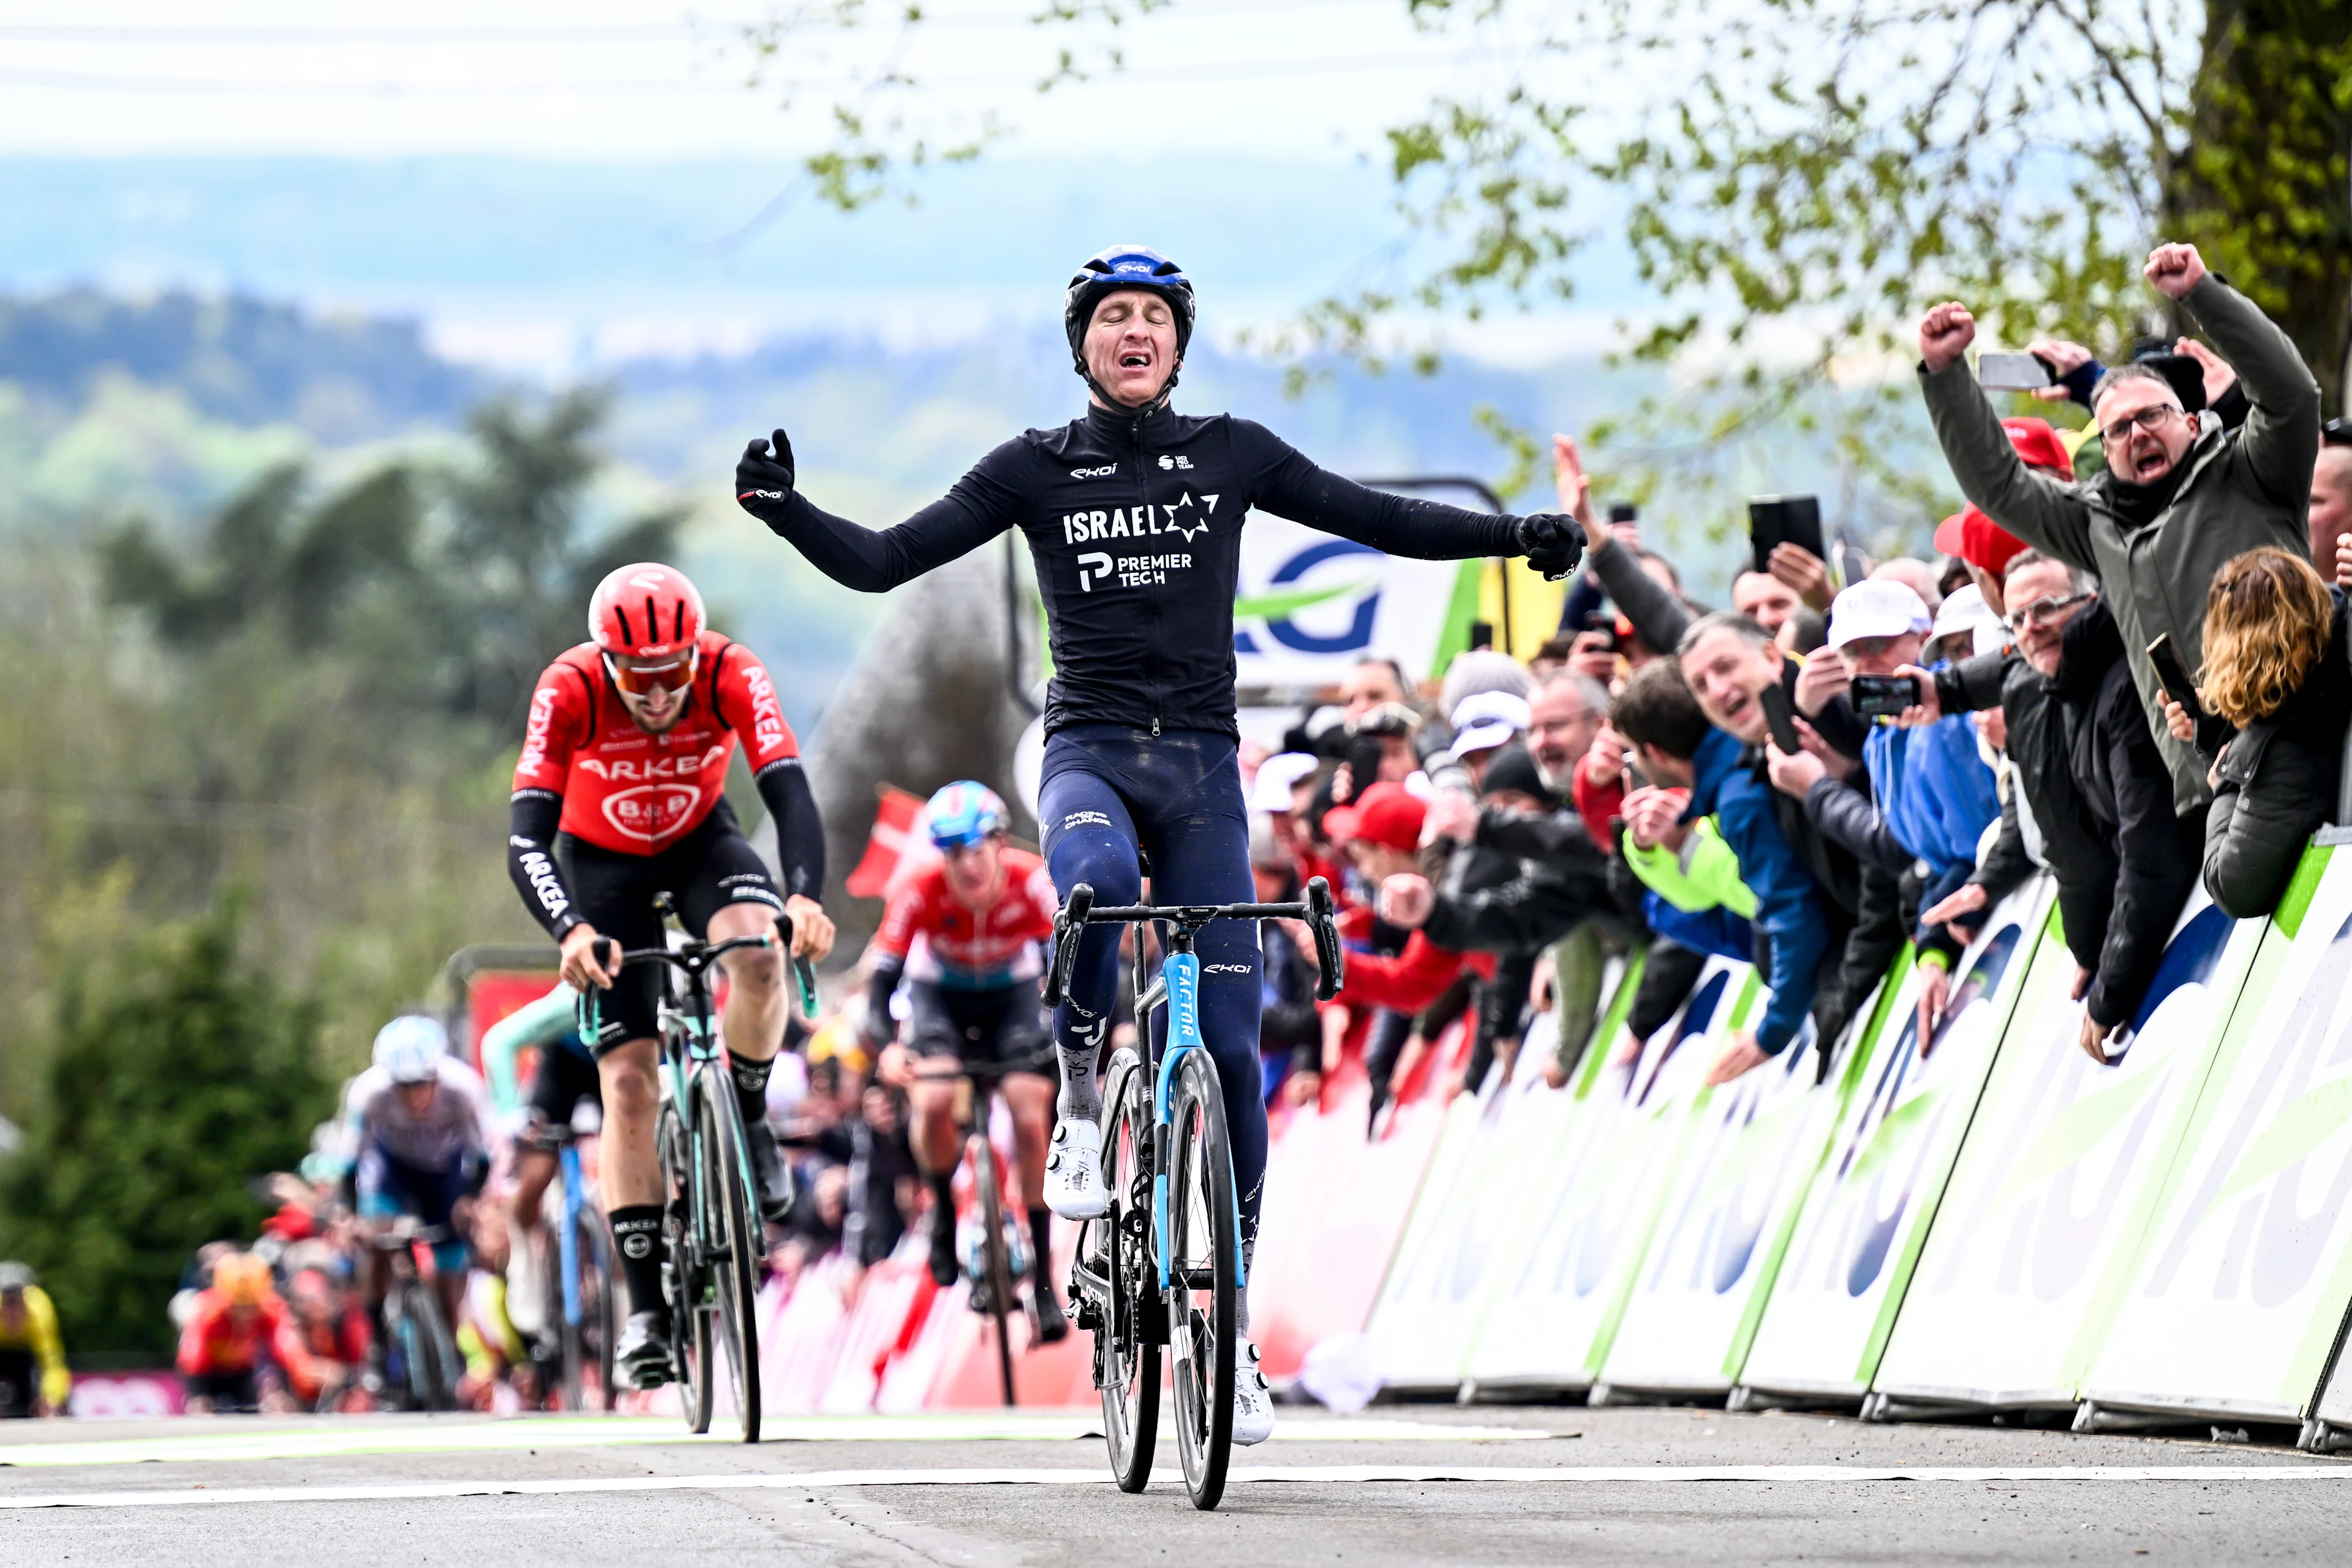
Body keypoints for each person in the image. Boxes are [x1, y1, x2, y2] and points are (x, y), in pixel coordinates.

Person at [736, 244, 1581, 1444]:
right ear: (1081, 343)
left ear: (1179, 344)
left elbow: (1377, 516)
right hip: (1085, 751)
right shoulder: (1034, 468)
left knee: (1232, 1054)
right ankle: (1081, 1098)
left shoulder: (1230, 453)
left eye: (1154, 318)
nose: (1133, 332)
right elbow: (883, 559)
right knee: (1087, 892)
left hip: (1201, 769)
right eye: (1111, 317)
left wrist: (1518, 535)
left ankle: (1225, 1332)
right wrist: (786, 512)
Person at [505, 562, 835, 1387]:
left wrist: (805, 898)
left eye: (669, 675)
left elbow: (790, 790)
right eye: (637, 678)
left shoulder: (730, 668)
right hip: (601, 865)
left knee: (760, 954)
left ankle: (749, 1116)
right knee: (628, 1085)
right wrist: (569, 929)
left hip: (698, 842)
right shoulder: (571, 686)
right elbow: (525, 839)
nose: (655, 696)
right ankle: (648, 1308)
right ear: (605, 660)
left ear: (694, 653)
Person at [1917, 241, 2323, 813]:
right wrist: (1945, 374)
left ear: (2189, 418)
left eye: (2151, 416)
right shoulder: (2094, 525)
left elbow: (2291, 395)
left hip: (2307, 742)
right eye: (2118, 429)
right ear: (2104, 450)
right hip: (2211, 787)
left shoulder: (2251, 471)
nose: (2136, 434)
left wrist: (2201, 294)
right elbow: (2000, 488)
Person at [1918, 551, 2200, 1061]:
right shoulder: (2046, 689)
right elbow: (2073, 850)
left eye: (2047, 608)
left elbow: (2152, 854)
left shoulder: (2119, 687)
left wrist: (2111, 983)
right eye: (2018, 619)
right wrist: (2092, 952)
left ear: (2091, 601)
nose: (2033, 628)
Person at [864, 781, 1068, 1341]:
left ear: (1000, 844)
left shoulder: (1032, 881)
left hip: (1014, 996)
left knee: (1031, 1111)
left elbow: (1070, 962)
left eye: (977, 850)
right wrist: (888, 1047)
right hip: (941, 1001)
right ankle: (943, 1216)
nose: (967, 867)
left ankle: (1046, 1279)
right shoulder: (918, 888)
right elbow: (880, 986)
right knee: (930, 1099)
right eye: (953, 854)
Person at [2173, 548, 2350, 919]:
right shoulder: (2328, 667)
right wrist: (2212, 728)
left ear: (2230, 646)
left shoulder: (2290, 739)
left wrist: (2223, 783)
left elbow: (2233, 886)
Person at [344, 1016, 494, 1354]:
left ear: (438, 1074)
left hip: (446, 1172)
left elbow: (484, 1156)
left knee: (449, 1266)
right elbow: (348, 1162)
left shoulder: (464, 1087)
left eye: (422, 1084)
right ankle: (378, 1341)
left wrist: (471, 1199)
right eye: (403, 1086)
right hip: (391, 1170)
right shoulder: (369, 1092)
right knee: (377, 1241)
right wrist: (353, 1215)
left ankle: (448, 1347)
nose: (413, 1097)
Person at [478, 980, 600, 1237]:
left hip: (619, 1064)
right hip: (564, 1066)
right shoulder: (567, 1003)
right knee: (536, 1171)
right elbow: (498, 1042)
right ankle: (525, 1252)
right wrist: (511, 1114)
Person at [175, 1252, 287, 1413]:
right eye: (237, 1307)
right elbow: (192, 1357)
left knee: (252, 1413)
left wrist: (279, 1390)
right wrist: (198, 1395)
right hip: (206, 1372)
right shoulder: (207, 1311)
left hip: (243, 1371)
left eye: (252, 1306)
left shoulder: (271, 1309)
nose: (245, 1315)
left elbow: (283, 1352)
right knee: (201, 1411)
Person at [0, 1262, 67, 1418]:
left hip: (29, 1351)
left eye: (18, 1305)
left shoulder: (40, 1311)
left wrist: (52, 1398)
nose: (13, 1314)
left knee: (49, 1403)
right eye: (8, 1307)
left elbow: (52, 1362)